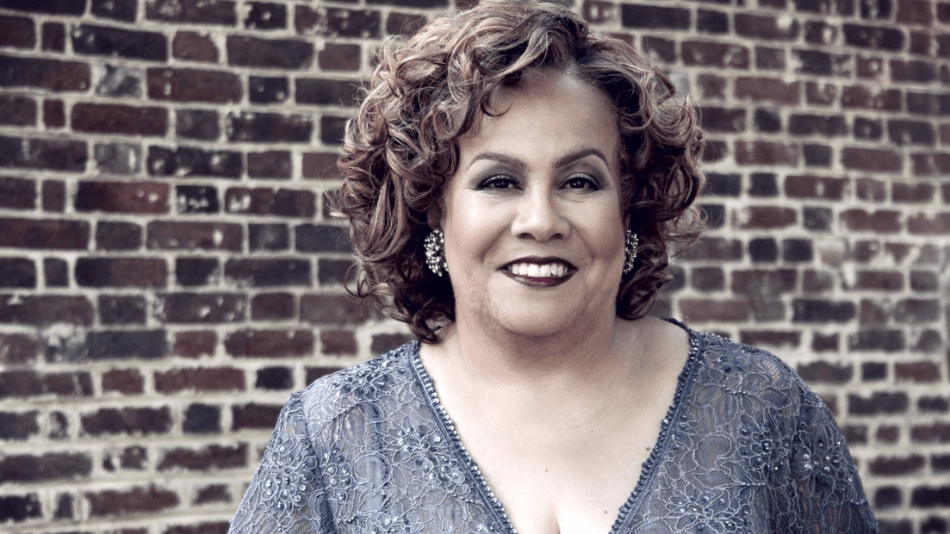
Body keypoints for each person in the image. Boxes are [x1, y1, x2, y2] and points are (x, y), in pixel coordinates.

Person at [229, 1, 878, 532]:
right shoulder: (332, 435)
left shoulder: (764, 411)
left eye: (579, 181)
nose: (541, 220)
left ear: (629, 208)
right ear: (433, 211)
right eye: (500, 181)